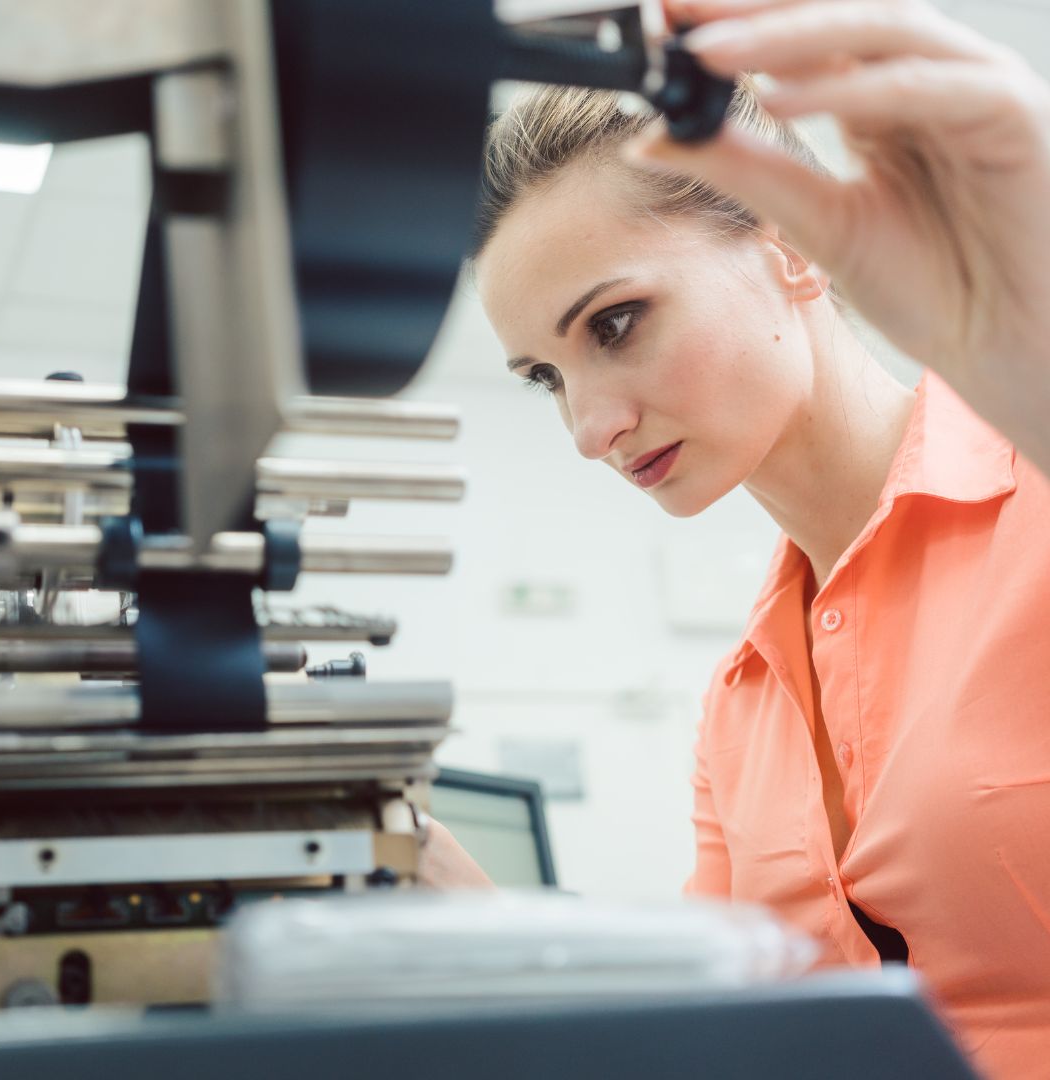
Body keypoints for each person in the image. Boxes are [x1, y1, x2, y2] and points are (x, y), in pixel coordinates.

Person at [419, 2, 1050, 1077]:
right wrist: (462, 918)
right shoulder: (741, 705)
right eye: (547, 378)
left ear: (794, 249)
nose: (589, 427)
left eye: (614, 324)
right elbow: (718, 1038)